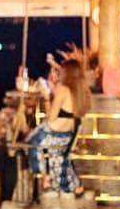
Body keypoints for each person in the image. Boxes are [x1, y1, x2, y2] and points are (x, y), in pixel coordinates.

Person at [28, 59, 91, 195]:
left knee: (30, 143)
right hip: (68, 135)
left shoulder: (63, 89)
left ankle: (44, 176)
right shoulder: (81, 92)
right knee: (59, 158)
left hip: (54, 133)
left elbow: (51, 117)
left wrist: (47, 97)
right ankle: (73, 185)